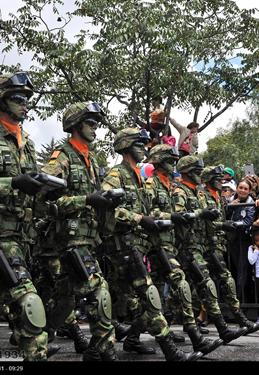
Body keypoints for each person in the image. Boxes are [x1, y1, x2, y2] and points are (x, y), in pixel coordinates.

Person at [0, 73, 55, 361]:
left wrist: (46, 195)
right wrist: (14, 183)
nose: (25, 105)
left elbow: (32, 190)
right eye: (18, 99)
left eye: (27, 99)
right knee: (27, 298)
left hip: (21, 235)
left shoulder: (27, 142)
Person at [100, 128, 202, 361]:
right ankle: (170, 351)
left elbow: (147, 212)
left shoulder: (136, 176)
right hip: (122, 246)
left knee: (126, 298)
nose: (144, 148)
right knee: (147, 296)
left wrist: (164, 219)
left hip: (139, 246)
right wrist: (141, 220)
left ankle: (101, 348)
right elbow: (106, 207)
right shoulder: (118, 174)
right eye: (139, 144)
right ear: (126, 146)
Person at [38, 101, 121, 361]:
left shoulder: (91, 160)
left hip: (87, 237)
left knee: (64, 298)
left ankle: (38, 339)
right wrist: (86, 200)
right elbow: (44, 200)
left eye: (97, 124)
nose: (96, 129)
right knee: (98, 289)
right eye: (91, 123)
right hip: (67, 239)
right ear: (76, 125)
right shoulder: (61, 156)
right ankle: (101, 349)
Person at [144, 144, 223, 356]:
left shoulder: (171, 185)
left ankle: (133, 337)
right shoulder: (152, 184)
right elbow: (150, 213)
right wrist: (173, 217)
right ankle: (195, 336)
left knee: (160, 294)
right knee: (179, 284)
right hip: (158, 244)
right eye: (169, 160)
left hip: (172, 244)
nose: (173, 164)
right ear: (159, 161)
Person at [172, 155, 248, 344]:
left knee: (191, 288)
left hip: (200, 244)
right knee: (202, 284)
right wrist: (202, 214)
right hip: (187, 246)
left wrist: (224, 226)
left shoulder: (196, 193)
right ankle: (220, 328)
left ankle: (145, 331)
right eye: (197, 171)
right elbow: (180, 216)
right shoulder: (181, 192)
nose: (201, 175)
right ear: (189, 173)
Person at [200, 167, 259, 335]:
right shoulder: (206, 197)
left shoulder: (216, 196)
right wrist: (226, 220)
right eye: (216, 179)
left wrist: (228, 224)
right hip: (207, 244)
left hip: (222, 243)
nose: (220, 182)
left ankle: (238, 319)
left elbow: (242, 220)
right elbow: (210, 219)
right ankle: (198, 320)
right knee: (206, 282)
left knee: (226, 278)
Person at [226, 178, 256, 302]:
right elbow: (223, 215)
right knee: (232, 269)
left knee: (243, 269)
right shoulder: (230, 200)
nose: (242, 191)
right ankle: (233, 299)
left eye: (245, 189)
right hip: (231, 239)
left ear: (249, 191)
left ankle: (242, 300)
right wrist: (230, 208)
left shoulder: (250, 202)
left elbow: (248, 221)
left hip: (244, 239)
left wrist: (233, 225)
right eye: (240, 188)